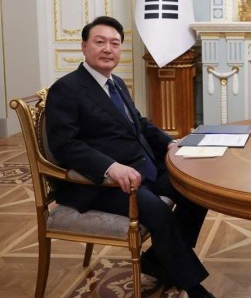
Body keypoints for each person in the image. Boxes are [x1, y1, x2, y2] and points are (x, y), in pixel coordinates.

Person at [45, 16, 215, 298]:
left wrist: (169, 144)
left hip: (141, 168)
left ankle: (158, 264)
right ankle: (193, 286)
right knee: (158, 212)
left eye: (114, 43)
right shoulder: (67, 89)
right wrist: (110, 167)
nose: (107, 49)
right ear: (84, 46)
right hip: (102, 183)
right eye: (100, 42)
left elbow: (140, 124)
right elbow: (65, 145)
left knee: (197, 190)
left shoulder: (116, 83)